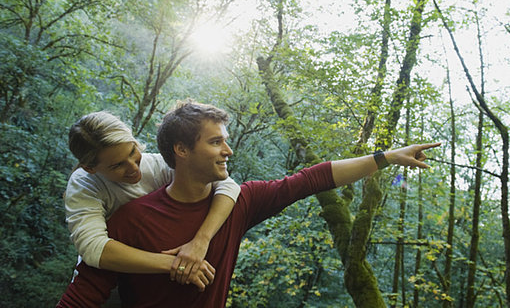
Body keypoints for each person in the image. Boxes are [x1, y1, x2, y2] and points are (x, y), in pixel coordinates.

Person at [57, 102, 440, 307]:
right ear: (182, 150)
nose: (228, 149)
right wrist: (176, 262)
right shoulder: (128, 221)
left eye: (225, 139)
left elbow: (313, 178)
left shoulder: (239, 202)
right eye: (215, 142)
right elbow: (84, 290)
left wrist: (385, 157)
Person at [64, 111, 241, 289]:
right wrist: (178, 263)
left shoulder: (154, 165)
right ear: (90, 168)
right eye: (118, 165)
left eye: (133, 151)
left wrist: (201, 241)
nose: (134, 167)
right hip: (106, 287)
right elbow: (93, 248)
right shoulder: (84, 185)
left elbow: (228, 186)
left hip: (151, 284)